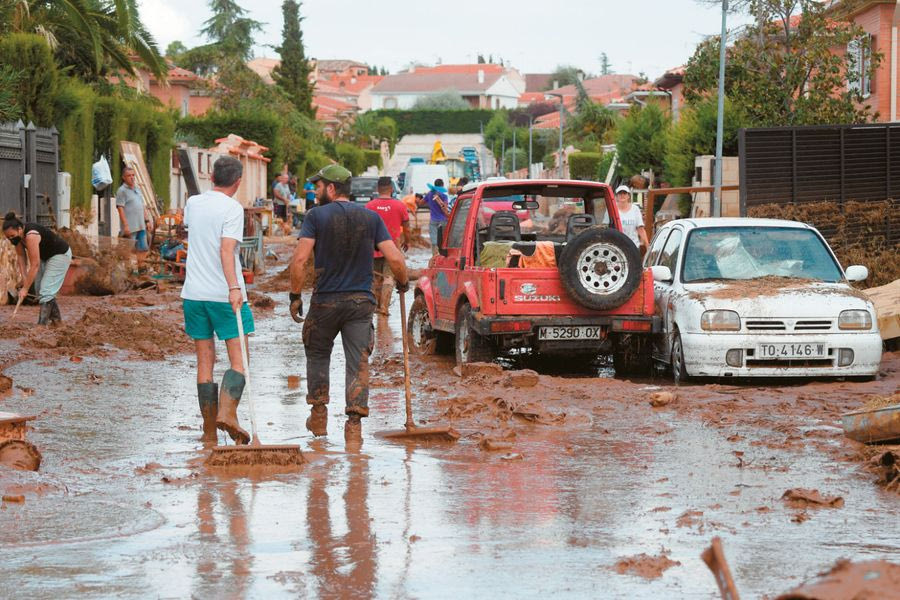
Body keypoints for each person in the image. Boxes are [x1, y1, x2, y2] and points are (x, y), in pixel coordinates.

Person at [288, 164, 408, 447]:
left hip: (325, 302)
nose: (316, 191)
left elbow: (300, 260)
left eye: (319, 187)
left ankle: (318, 416)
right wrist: (402, 282)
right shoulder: (371, 217)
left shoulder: (316, 216)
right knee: (358, 362)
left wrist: (295, 295)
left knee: (317, 354)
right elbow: (395, 258)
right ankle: (353, 428)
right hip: (360, 303)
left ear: (331, 188)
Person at [181, 156, 255, 446]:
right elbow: (227, 251)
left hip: (193, 295)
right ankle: (228, 414)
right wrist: (234, 287)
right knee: (240, 361)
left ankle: (209, 431)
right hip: (224, 296)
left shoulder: (193, 203)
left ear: (212, 178)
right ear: (237, 182)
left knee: (204, 363)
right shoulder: (232, 208)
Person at [2, 213, 71, 325]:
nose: (11, 239)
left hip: (60, 255)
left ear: (19, 229)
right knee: (40, 291)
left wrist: (25, 289)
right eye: (8, 237)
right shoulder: (18, 238)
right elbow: (21, 257)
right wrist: (24, 279)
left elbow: (35, 265)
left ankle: (41, 325)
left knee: (46, 291)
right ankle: (57, 322)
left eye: (12, 236)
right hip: (45, 257)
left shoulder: (31, 235)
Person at [366, 176, 410, 316]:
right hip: (392, 249)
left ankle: (374, 307)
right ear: (391, 189)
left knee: (375, 278)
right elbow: (407, 227)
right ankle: (384, 307)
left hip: (373, 248)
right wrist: (407, 241)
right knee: (388, 277)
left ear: (377, 189)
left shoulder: (369, 206)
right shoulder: (400, 205)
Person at [116, 167, 149, 271]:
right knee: (128, 250)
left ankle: (141, 270)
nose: (132, 177)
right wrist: (125, 225)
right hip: (130, 227)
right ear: (123, 178)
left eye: (133, 175)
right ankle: (127, 271)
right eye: (129, 175)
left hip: (141, 225)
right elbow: (120, 208)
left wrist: (147, 220)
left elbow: (142, 206)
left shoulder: (137, 190)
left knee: (143, 248)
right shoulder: (122, 191)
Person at [603, 184, 649, 251]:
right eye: (620, 193)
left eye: (624, 193)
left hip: (633, 246)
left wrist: (647, 246)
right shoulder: (611, 209)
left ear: (628, 196)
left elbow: (640, 229)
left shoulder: (635, 209)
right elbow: (605, 228)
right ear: (616, 196)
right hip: (616, 247)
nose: (622, 195)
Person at [418, 178, 450, 254]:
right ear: (442, 185)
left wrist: (429, 200)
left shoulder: (429, 194)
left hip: (433, 220)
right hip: (443, 220)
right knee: (443, 239)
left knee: (434, 240)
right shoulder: (444, 196)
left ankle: (435, 256)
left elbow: (420, 203)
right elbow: (445, 208)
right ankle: (443, 256)